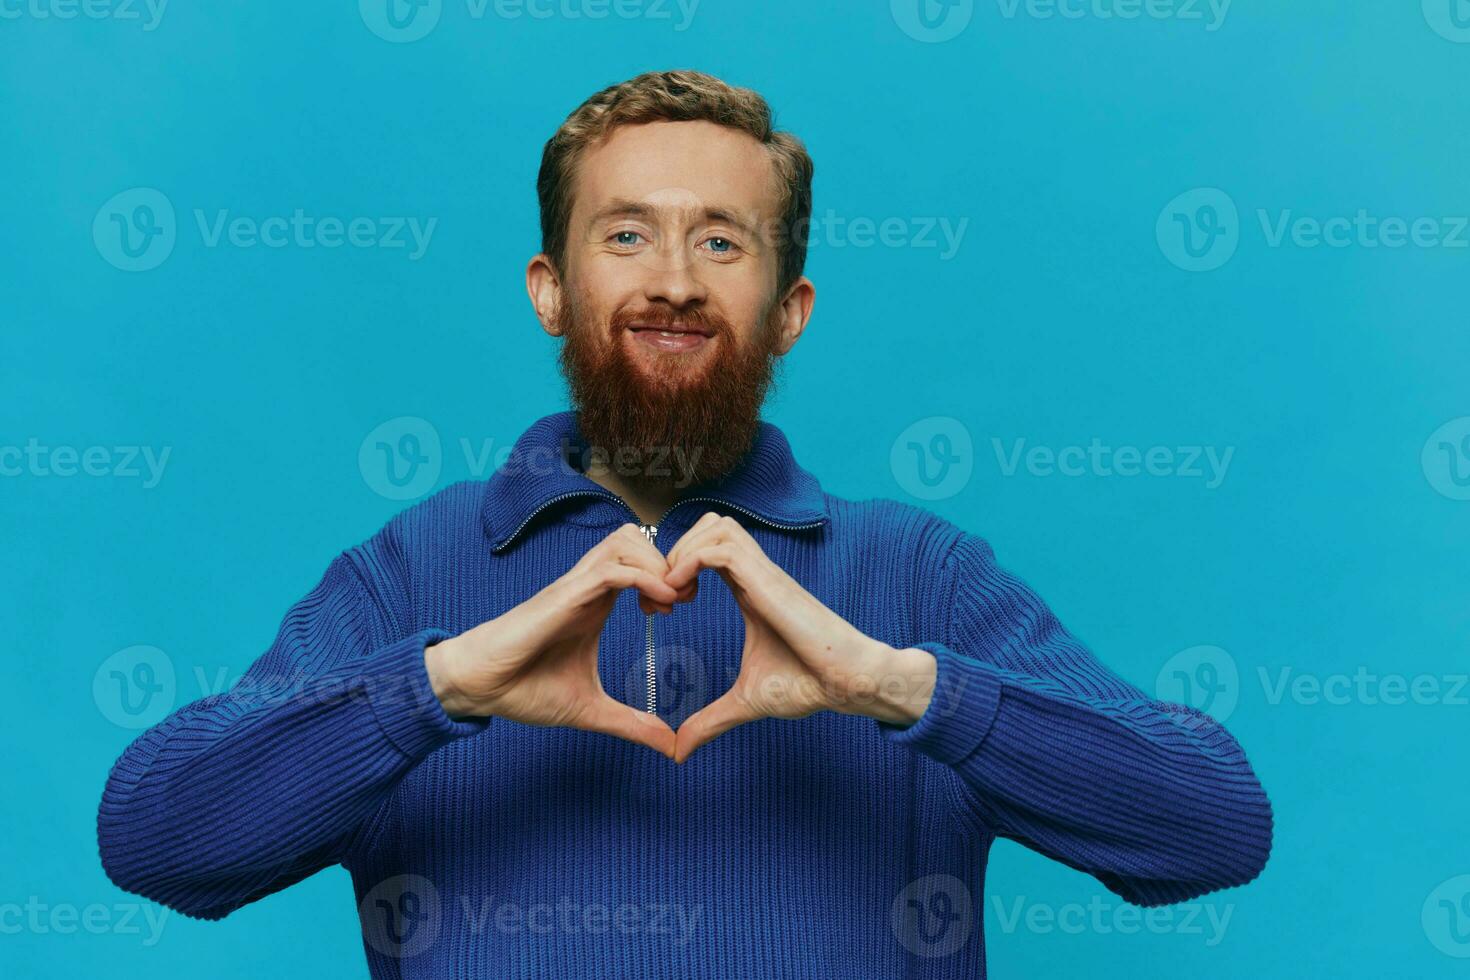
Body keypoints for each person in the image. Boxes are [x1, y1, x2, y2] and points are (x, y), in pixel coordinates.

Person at [97, 69, 1272, 978]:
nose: (672, 278)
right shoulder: (410, 574)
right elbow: (157, 839)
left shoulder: (918, 574)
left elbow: (1214, 827)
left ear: (788, 309)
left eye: (722, 239)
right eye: (625, 234)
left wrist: (902, 686)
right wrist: (439, 687)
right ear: (550, 287)